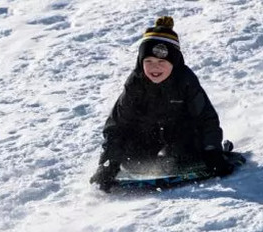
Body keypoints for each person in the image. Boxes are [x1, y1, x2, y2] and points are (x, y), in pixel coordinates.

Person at [90, 16, 234, 192]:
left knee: (179, 157)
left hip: (181, 135)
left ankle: (188, 158)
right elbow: (117, 126)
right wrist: (108, 164)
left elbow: (206, 118)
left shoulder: (186, 81)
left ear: (173, 62)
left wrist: (212, 150)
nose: (154, 68)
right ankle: (154, 163)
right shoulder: (135, 84)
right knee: (130, 159)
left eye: (161, 62)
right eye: (148, 62)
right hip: (149, 135)